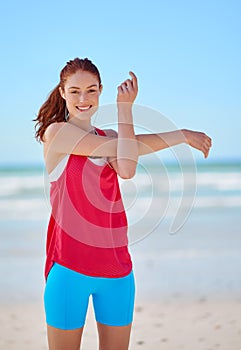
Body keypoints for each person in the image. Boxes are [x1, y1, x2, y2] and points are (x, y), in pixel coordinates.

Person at [34, 57, 212, 350]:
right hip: (69, 269)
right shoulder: (57, 133)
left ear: (100, 91)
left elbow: (126, 165)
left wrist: (181, 135)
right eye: (75, 91)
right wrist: (126, 110)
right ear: (63, 92)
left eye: (91, 90)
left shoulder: (113, 137)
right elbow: (127, 158)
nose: (83, 98)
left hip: (117, 271)